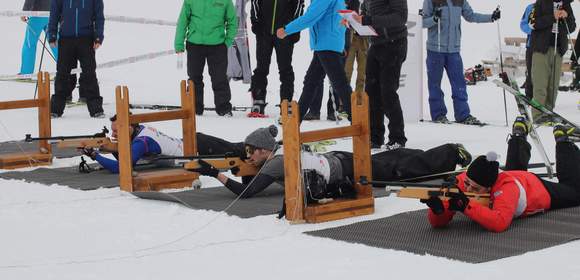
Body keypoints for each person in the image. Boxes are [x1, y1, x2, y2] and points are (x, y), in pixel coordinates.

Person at [192, 125, 473, 198]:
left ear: (265, 150)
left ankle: (450, 152)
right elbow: (252, 178)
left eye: (252, 151)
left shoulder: (276, 162)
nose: (250, 156)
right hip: (338, 160)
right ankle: (442, 151)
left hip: (343, 167)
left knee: (398, 171)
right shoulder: (276, 154)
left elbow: (247, 193)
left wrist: (214, 174)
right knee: (389, 159)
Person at [422, 116, 580, 232]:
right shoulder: (461, 181)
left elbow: (500, 222)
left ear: (490, 187)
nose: (468, 189)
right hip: (513, 176)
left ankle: (563, 142)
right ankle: (518, 135)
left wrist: (466, 206)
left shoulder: (506, 188)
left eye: (476, 188)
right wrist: (438, 210)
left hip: (535, 188)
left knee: (574, 191)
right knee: (513, 170)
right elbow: (438, 224)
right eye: (468, 183)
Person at [422, 0, 499, 125]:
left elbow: (471, 16)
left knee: (459, 84)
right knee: (435, 84)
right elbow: (422, 22)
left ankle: (463, 115)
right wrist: (434, 19)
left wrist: (491, 17)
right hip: (435, 49)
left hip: (454, 50)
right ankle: (438, 115)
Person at [81, 115, 245, 173]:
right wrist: (109, 147)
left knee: (239, 151)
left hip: (198, 147)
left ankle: (263, 147)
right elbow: (126, 155)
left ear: (130, 127)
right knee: (236, 148)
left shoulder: (141, 141)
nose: (114, 134)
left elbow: (122, 168)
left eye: (117, 130)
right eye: (112, 131)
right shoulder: (139, 130)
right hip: (193, 142)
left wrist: (96, 155)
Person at [276, 0, 353, 122]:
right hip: (326, 44)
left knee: (339, 84)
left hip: (326, 44)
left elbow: (310, 17)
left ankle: (359, 121)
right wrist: (339, 43)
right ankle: (295, 123)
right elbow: (339, 18)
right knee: (311, 83)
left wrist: (286, 30)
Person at [352, 0, 408, 150]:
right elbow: (366, 16)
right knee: (371, 93)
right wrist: (357, 24)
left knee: (388, 92)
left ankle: (397, 138)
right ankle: (375, 137)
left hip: (394, 44)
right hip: (376, 44)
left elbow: (400, 17)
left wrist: (368, 20)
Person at [175, 0, 238, 117]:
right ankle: (195, 108)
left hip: (217, 46)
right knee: (194, 78)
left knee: (219, 78)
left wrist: (227, 42)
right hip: (194, 44)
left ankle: (223, 108)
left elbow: (233, 21)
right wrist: (179, 44)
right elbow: (183, 20)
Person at [48, 0, 105, 119]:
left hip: (86, 39)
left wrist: (98, 36)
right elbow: (54, 13)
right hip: (66, 39)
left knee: (89, 74)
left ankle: (96, 110)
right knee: (62, 74)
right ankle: (55, 109)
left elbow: (99, 16)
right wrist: (52, 34)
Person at [248, 0, 304, 116]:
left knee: (285, 68)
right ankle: (258, 100)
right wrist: (256, 22)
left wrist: (294, 29)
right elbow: (255, 3)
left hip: (285, 32)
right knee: (261, 68)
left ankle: (286, 102)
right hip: (264, 33)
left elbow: (299, 6)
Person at [529, 0, 575, 124]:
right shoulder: (541, 2)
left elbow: (572, 27)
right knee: (540, 84)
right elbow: (532, 23)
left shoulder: (566, 4)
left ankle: (548, 112)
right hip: (541, 49)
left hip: (558, 49)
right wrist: (552, 17)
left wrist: (566, 16)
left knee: (553, 85)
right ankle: (538, 116)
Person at [19, 0, 57, 76]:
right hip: (52, 15)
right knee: (55, 44)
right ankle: (65, 71)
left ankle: (26, 73)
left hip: (37, 16)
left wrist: (25, 12)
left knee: (29, 44)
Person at [521, 2, 535, 99]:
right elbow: (523, 24)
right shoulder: (530, 7)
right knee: (530, 71)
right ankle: (529, 96)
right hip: (531, 45)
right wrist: (535, 31)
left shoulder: (553, 7)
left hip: (547, 46)